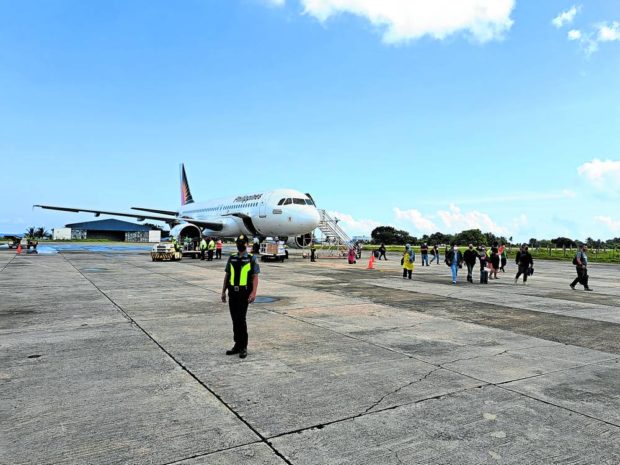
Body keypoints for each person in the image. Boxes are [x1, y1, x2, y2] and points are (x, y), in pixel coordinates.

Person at [221, 235, 260, 359]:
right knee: (234, 319)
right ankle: (237, 345)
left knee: (241, 319)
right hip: (232, 292)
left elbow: (255, 277)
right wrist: (223, 291)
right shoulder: (232, 258)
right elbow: (227, 275)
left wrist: (253, 292)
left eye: (242, 242)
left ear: (247, 244)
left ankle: (243, 346)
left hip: (244, 293)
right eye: (239, 242)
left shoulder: (251, 258)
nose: (240, 244)